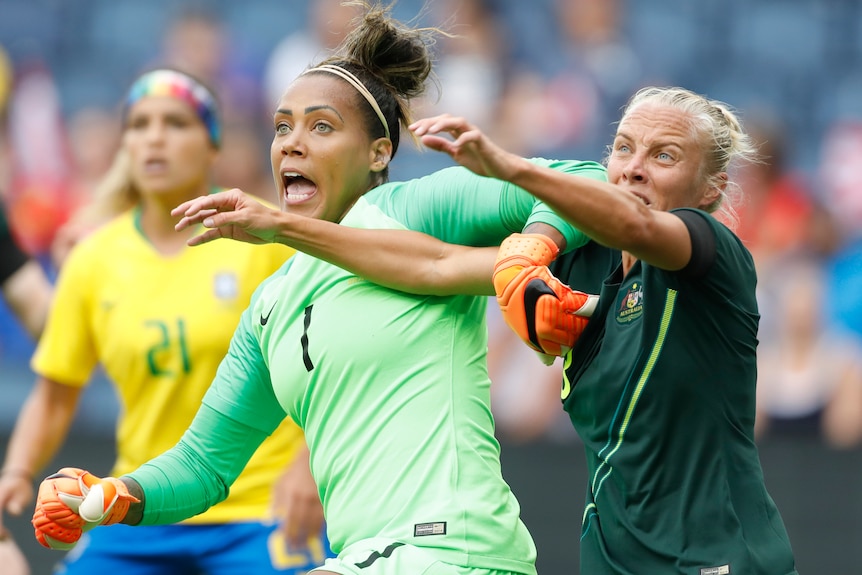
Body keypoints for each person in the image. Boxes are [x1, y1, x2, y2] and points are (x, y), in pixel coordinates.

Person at [30, 4, 609, 574]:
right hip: (367, 557)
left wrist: (533, 246)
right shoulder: (271, 304)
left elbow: (590, 182)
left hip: (454, 549)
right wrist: (112, 495)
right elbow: (204, 464)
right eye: (282, 126)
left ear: (379, 152)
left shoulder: (414, 207)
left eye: (321, 127)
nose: (291, 143)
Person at [175, 86, 798, 573]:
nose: (633, 169)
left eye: (663, 156)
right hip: (612, 555)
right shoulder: (585, 265)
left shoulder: (708, 252)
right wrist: (283, 228)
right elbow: (428, 263)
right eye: (624, 148)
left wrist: (506, 167)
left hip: (719, 554)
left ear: (712, 187)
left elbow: (635, 228)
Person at [1, 67, 330, 574]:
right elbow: (54, 392)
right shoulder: (92, 259)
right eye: (139, 124)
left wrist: (309, 466)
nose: (154, 137)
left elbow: (332, 365)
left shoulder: (266, 236)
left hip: (263, 509)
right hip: (137, 505)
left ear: (212, 144)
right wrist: (17, 472)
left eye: (175, 123)